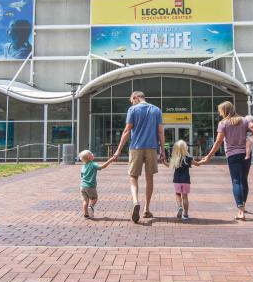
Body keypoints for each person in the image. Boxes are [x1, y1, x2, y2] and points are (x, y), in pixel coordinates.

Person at [200, 101, 253, 221]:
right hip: (245, 154)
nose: (220, 113)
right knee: (244, 180)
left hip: (233, 155)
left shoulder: (223, 123)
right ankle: (243, 206)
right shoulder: (244, 120)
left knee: (236, 181)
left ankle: (241, 211)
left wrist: (209, 156)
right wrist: (252, 140)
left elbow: (218, 142)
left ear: (224, 111)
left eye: (220, 111)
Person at [113, 91, 165, 223]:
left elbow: (127, 131)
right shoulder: (156, 110)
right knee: (149, 178)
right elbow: (160, 132)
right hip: (151, 147)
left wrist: (118, 150)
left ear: (136, 97)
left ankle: (136, 201)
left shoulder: (132, 110)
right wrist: (163, 150)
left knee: (133, 177)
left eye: (132, 100)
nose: (132, 102)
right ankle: (146, 209)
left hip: (136, 148)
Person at [163, 140, 201, 220]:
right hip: (186, 180)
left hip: (177, 180)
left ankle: (180, 206)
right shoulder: (189, 158)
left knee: (177, 194)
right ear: (185, 148)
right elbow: (197, 164)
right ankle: (186, 214)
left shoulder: (174, 158)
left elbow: (169, 165)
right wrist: (203, 161)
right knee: (185, 196)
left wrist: (163, 162)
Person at [78, 150, 117, 219]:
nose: (93, 154)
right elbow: (102, 166)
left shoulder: (83, 166)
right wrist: (110, 160)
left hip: (82, 186)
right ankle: (91, 206)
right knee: (94, 198)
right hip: (90, 186)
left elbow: (81, 176)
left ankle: (86, 214)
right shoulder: (93, 164)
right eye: (91, 154)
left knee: (85, 200)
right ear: (90, 157)